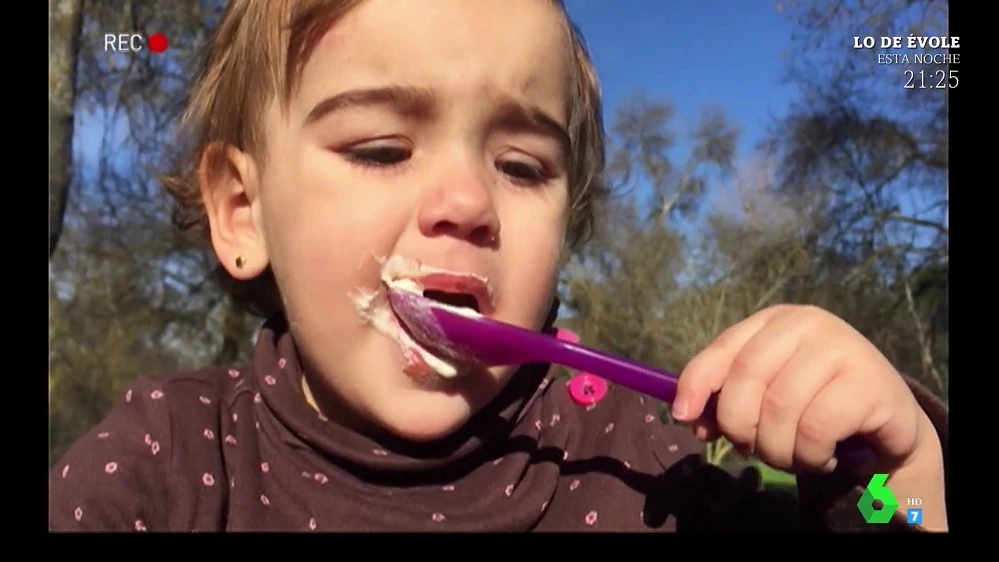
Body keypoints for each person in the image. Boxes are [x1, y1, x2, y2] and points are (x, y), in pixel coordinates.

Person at [49, 0, 948, 532]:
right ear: (243, 212)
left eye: (522, 166)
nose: (469, 203)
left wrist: (894, 478)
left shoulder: (640, 462)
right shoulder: (168, 460)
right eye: (378, 147)